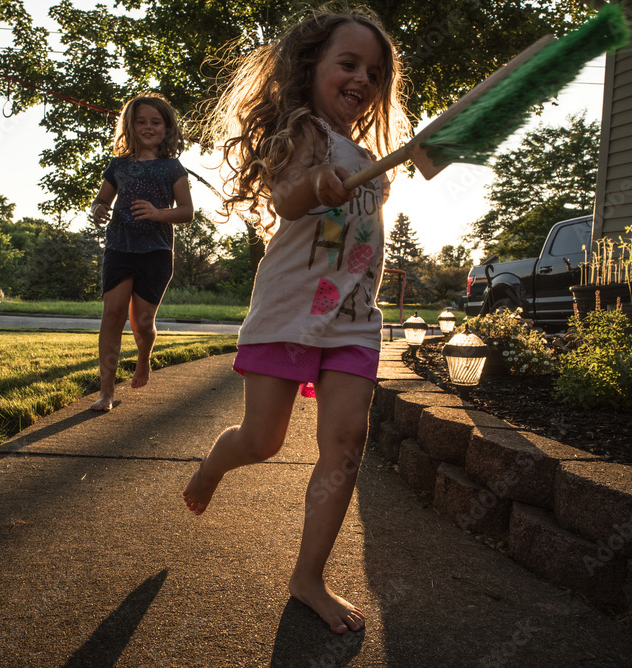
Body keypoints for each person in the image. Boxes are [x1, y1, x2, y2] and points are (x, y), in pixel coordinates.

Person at [182, 7, 411, 634]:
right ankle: (214, 463)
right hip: (289, 311)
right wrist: (317, 184)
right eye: (349, 63)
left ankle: (308, 577)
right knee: (264, 441)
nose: (362, 78)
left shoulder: (369, 156)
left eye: (374, 71)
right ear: (312, 67)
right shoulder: (304, 134)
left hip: (356, 319)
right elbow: (285, 198)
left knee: (346, 444)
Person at [89, 93, 194, 412]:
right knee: (112, 315)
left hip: (157, 253)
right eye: (141, 121)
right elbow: (101, 200)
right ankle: (106, 392)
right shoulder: (118, 165)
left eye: (155, 122)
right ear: (130, 127)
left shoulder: (172, 168)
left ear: (166, 128)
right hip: (120, 248)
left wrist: (160, 213)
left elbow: (187, 212)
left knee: (142, 322)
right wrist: (98, 209)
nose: (148, 127)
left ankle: (144, 358)